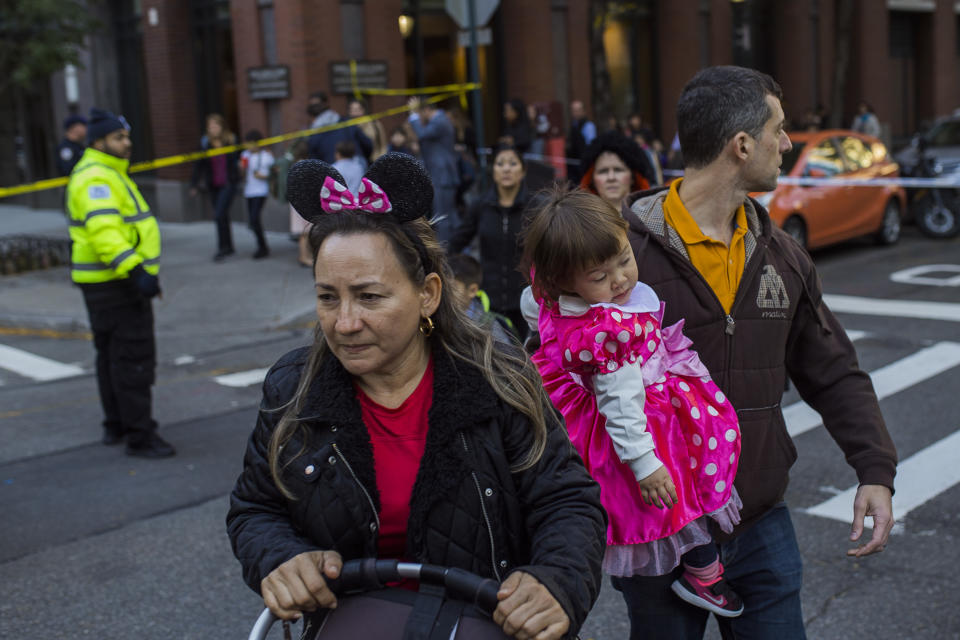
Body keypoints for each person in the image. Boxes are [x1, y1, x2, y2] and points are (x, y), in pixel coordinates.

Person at [226, 152, 606, 640]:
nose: (344, 323)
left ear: (427, 293)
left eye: (369, 297)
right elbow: (256, 508)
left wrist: (556, 581)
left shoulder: (499, 379)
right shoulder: (293, 390)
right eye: (327, 297)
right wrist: (280, 558)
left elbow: (567, 501)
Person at [617, 65, 897, 638]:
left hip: (763, 522)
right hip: (664, 532)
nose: (787, 143)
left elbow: (834, 372)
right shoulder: (619, 260)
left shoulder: (784, 257)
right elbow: (553, 382)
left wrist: (875, 468)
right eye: (779, 129)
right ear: (742, 146)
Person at [520, 188, 745, 618]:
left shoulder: (554, 298)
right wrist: (645, 463)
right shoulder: (608, 333)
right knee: (684, 489)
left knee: (678, 492)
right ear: (563, 279)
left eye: (624, 259)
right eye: (599, 276)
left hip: (620, 407)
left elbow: (535, 306)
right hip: (644, 423)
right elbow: (621, 404)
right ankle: (703, 572)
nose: (621, 280)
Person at [65, 108, 174, 458]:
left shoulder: (104, 172)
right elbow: (105, 233)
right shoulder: (98, 177)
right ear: (99, 141)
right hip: (116, 284)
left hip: (105, 284)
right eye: (118, 137)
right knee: (132, 360)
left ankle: (116, 424)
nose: (127, 143)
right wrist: (137, 272)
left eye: (126, 136)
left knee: (111, 357)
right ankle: (140, 437)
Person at [449, 144, 534, 339]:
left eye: (512, 163)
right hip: (489, 300)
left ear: (523, 170)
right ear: (493, 170)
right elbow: (457, 240)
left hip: (526, 299)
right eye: (500, 164)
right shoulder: (481, 205)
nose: (506, 169)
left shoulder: (534, 206)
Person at [407, 96, 460, 243]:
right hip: (441, 174)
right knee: (449, 214)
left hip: (442, 175)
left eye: (420, 113)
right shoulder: (440, 121)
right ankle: (457, 245)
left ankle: (445, 250)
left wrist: (413, 115)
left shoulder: (439, 121)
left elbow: (422, 134)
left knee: (442, 216)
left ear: (426, 110)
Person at [190, 113, 241, 261]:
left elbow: (239, 159)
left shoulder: (231, 141)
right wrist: (194, 184)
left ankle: (222, 248)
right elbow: (198, 165)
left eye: (216, 125)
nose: (213, 129)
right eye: (210, 126)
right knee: (222, 216)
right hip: (213, 184)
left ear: (222, 126)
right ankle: (229, 246)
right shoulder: (205, 143)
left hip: (228, 183)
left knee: (219, 214)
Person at [448, 252, 516, 344]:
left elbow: (507, 356)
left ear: (472, 290)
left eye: (453, 288)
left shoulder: (489, 326)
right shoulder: (439, 318)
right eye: (444, 287)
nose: (446, 293)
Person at [579, 130, 657, 208]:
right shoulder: (576, 219)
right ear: (591, 179)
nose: (611, 177)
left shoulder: (654, 216)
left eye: (618, 170)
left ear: (633, 177)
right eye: (603, 171)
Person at [307, 91, 372, 165]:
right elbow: (368, 144)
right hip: (358, 168)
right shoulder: (347, 123)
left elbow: (314, 161)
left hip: (331, 172)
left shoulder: (314, 134)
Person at [239, 130, 274, 259]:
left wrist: (262, 176)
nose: (248, 147)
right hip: (249, 190)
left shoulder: (266, 156)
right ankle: (261, 245)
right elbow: (242, 174)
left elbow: (273, 174)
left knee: (254, 218)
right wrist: (241, 168)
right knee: (253, 221)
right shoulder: (245, 155)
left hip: (261, 191)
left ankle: (262, 247)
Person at [566, 99, 597, 186]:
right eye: (574, 110)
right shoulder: (574, 124)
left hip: (583, 164)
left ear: (583, 111)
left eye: (578, 110)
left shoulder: (589, 126)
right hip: (573, 166)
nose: (576, 113)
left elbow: (591, 145)